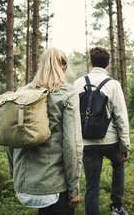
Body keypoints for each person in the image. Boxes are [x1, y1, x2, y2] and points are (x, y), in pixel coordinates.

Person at [6, 48, 83, 215]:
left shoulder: (22, 92)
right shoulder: (68, 93)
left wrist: (15, 172)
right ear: (63, 67)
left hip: (24, 185)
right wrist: (74, 188)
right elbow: (72, 144)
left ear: (41, 65)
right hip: (54, 185)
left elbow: (10, 138)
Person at [74, 47, 130, 215]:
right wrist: (125, 146)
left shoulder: (78, 83)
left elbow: (72, 116)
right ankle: (116, 207)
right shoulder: (113, 84)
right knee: (118, 165)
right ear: (108, 64)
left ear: (90, 62)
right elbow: (121, 117)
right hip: (110, 141)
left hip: (87, 143)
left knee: (92, 185)